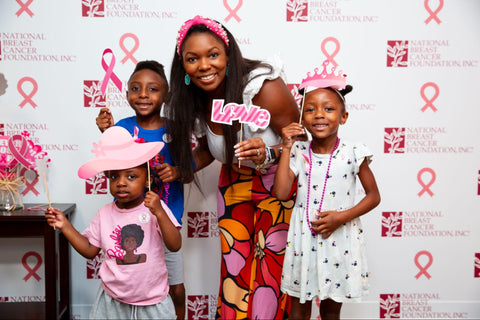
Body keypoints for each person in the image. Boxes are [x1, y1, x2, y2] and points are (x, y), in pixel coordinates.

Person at [166, 15, 300, 319]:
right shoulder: (196, 97)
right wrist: (181, 170)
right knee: (235, 267)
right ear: (182, 66)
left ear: (228, 55)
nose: (203, 66)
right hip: (232, 182)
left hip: (276, 181)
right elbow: (210, 149)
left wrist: (268, 152)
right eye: (192, 58)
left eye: (212, 54)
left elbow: (303, 140)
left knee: (271, 269)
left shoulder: (262, 87)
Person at [273, 60, 381, 320]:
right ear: (302, 119)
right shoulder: (298, 152)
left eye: (329, 109)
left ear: (343, 117)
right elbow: (280, 193)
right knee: (298, 311)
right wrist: (285, 147)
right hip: (304, 240)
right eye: (310, 109)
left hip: (339, 240)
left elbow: (374, 197)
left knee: (331, 310)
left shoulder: (354, 153)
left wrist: (341, 217)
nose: (319, 114)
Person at [45, 126, 182, 319]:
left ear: (148, 180)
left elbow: (175, 245)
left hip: (152, 302)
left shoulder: (155, 209)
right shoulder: (104, 214)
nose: (121, 182)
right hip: (112, 303)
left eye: (131, 176)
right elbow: (89, 250)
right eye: (115, 176)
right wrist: (65, 226)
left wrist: (159, 212)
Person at [95, 60, 186, 319]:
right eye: (136, 88)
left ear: (166, 95)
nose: (143, 94)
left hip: (166, 221)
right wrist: (106, 135)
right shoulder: (122, 127)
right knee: (133, 284)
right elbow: (110, 170)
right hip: (130, 224)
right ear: (126, 94)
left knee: (176, 288)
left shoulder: (175, 129)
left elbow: (189, 169)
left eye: (152, 89)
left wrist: (177, 171)